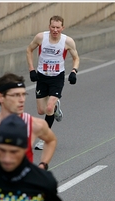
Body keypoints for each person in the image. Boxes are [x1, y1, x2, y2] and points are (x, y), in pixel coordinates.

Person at [0, 73, 57, 170]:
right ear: (0, 97)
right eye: (16, 95)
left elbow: (51, 140)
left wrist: (43, 164)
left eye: (23, 94)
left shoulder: (34, 124)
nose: (22, 100)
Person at [26, 15, 80, 150]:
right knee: (41, 110)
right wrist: (32, 70)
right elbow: (29, 50)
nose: (55, 30)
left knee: (48, 108)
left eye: (58, 27)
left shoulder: (67, 41)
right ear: (49, 27)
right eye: (53, 27)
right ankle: (56, 108)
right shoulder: (41, 38)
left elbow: (76, 58)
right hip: (42, 77)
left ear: (62, 28)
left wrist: (74, 71)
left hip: (57, 77)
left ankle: (44, 139)